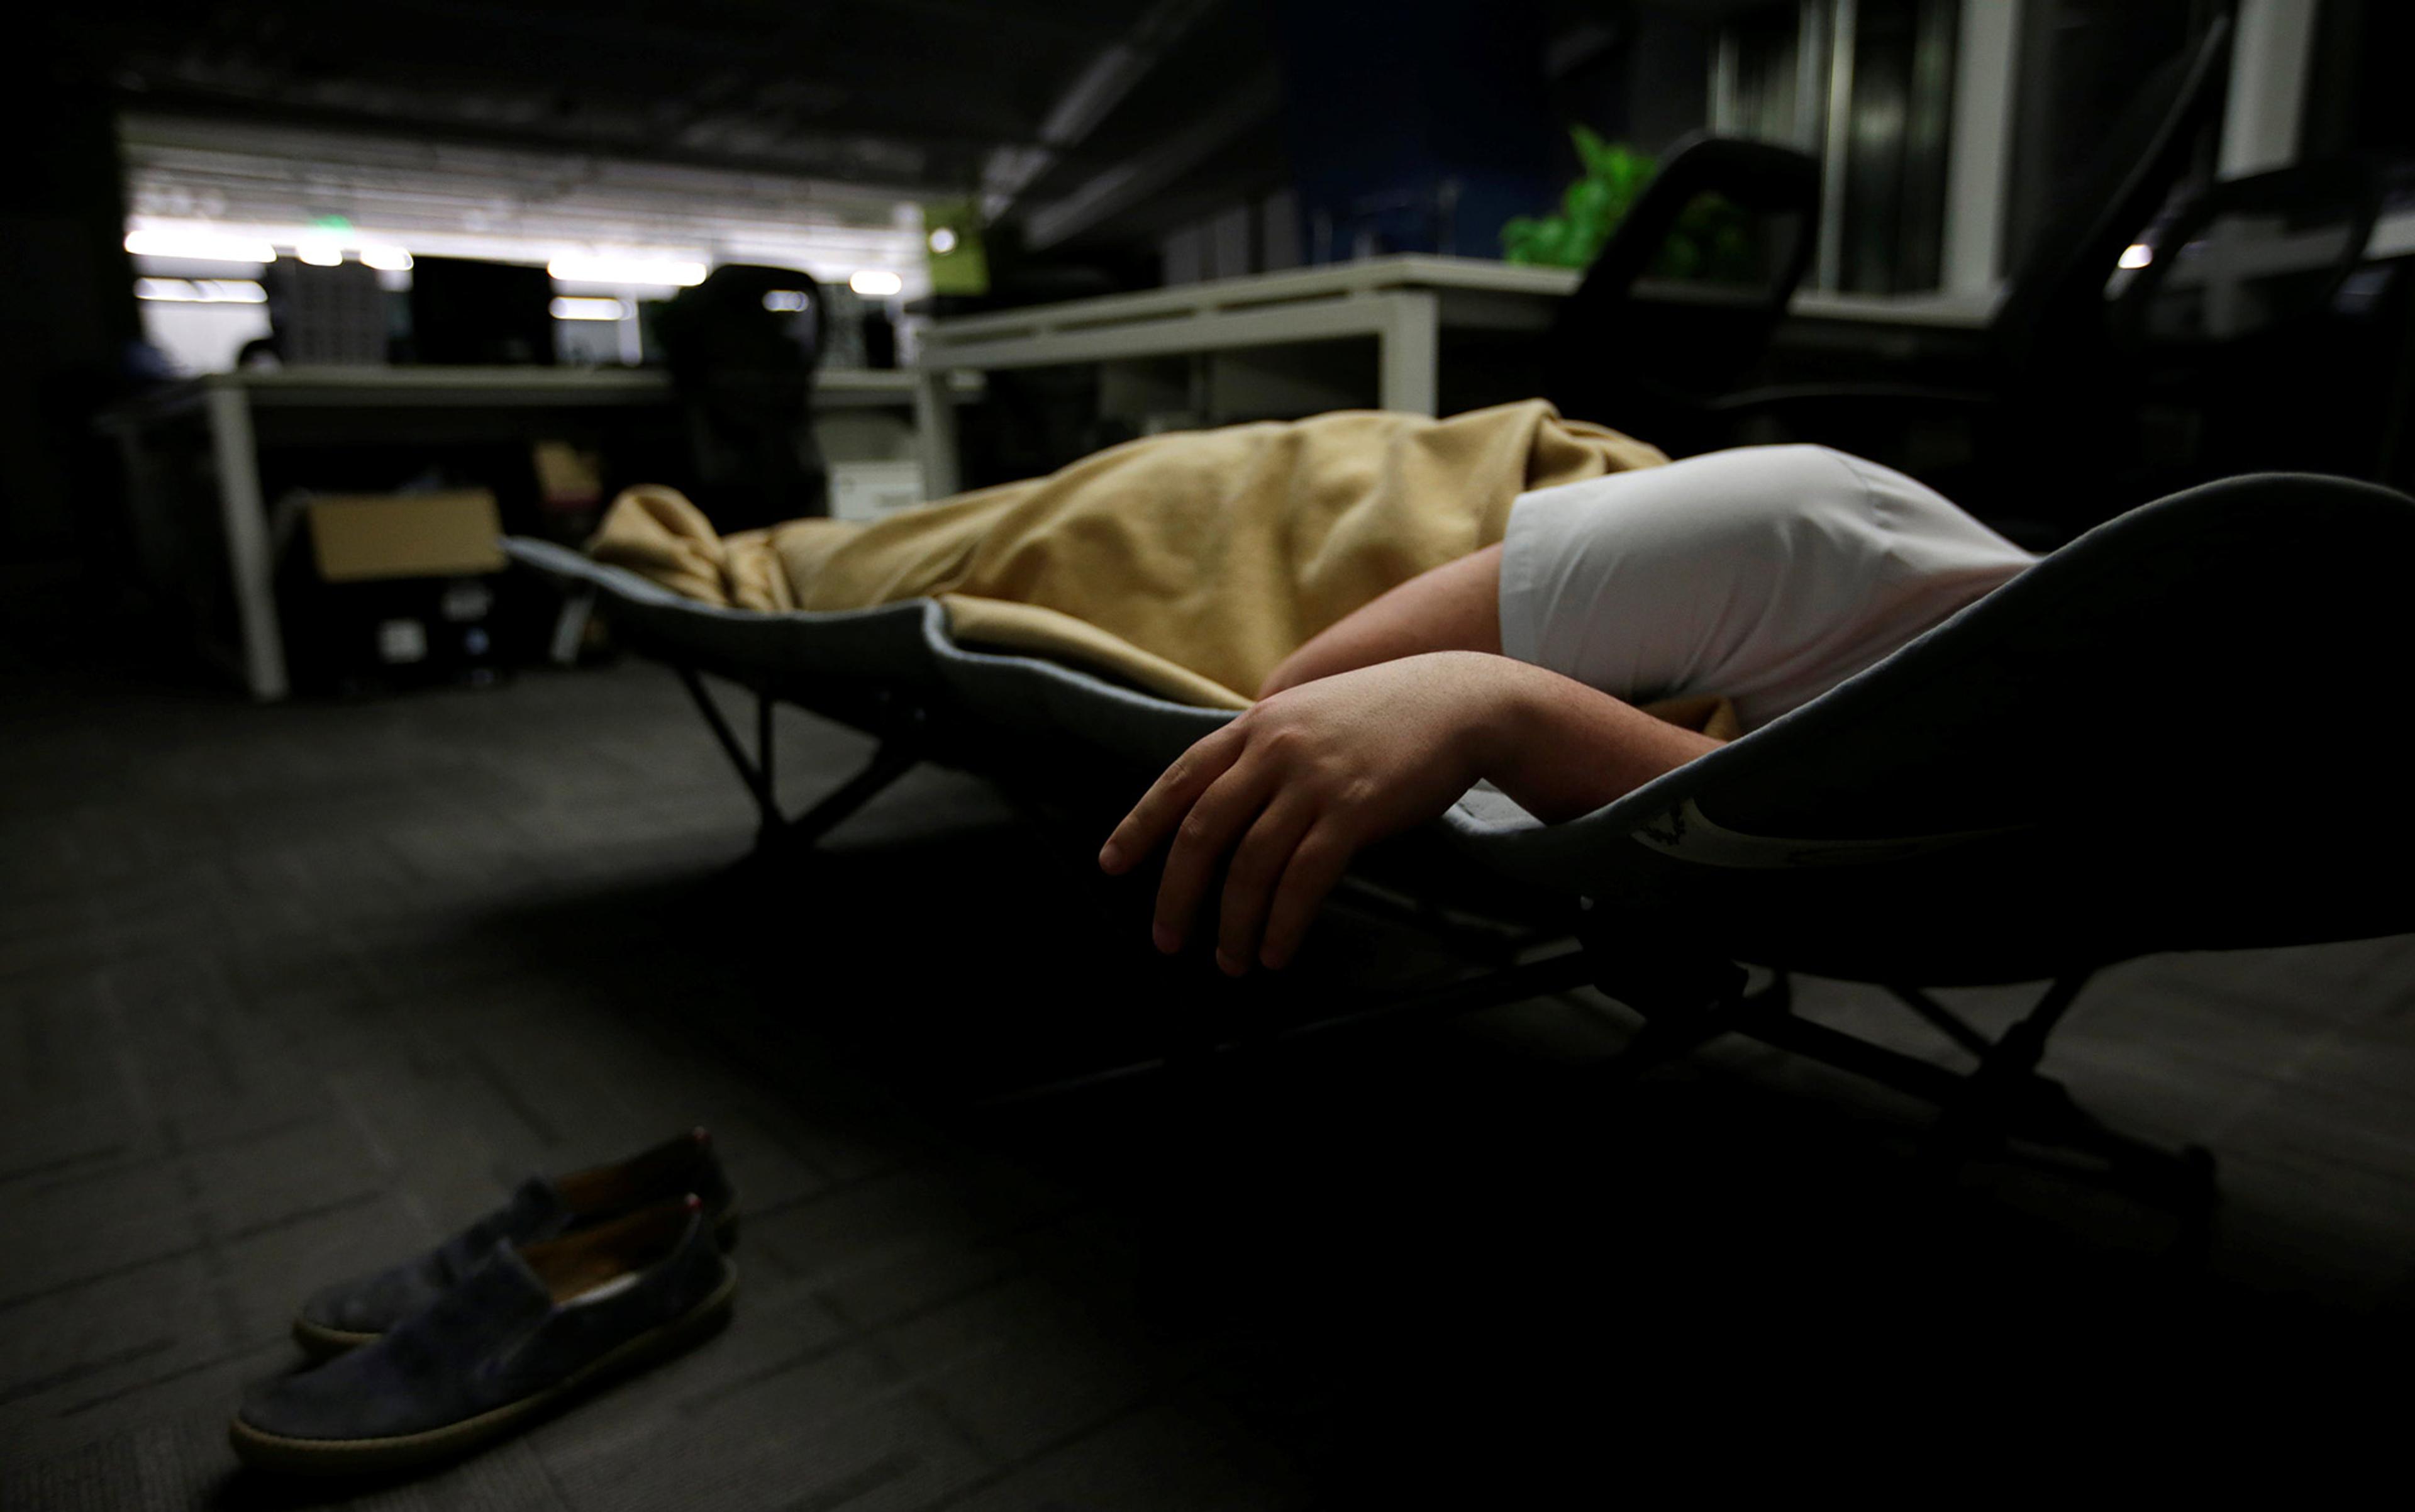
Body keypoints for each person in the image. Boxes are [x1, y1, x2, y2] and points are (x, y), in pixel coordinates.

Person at [1098, 443, 2037, 977]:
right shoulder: (1808, 540)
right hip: (1309, 502)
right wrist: (1492, 694)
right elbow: (1318, 699)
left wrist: (1514, 706)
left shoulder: (2095, 805)